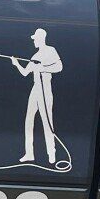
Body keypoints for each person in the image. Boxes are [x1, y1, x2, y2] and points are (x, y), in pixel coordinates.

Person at [17, 28, 63, 164]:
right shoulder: (34, 56)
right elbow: (25, 73)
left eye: (35, 39)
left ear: (41, 38)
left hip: (45, 89)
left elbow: (59, 67)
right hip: (35, 89)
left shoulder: (50, 50)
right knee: (29, 120)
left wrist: (42, 67)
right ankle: (29, 153)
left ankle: (51, 154)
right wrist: (16, 63)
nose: (34, 42)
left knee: (47, 122)